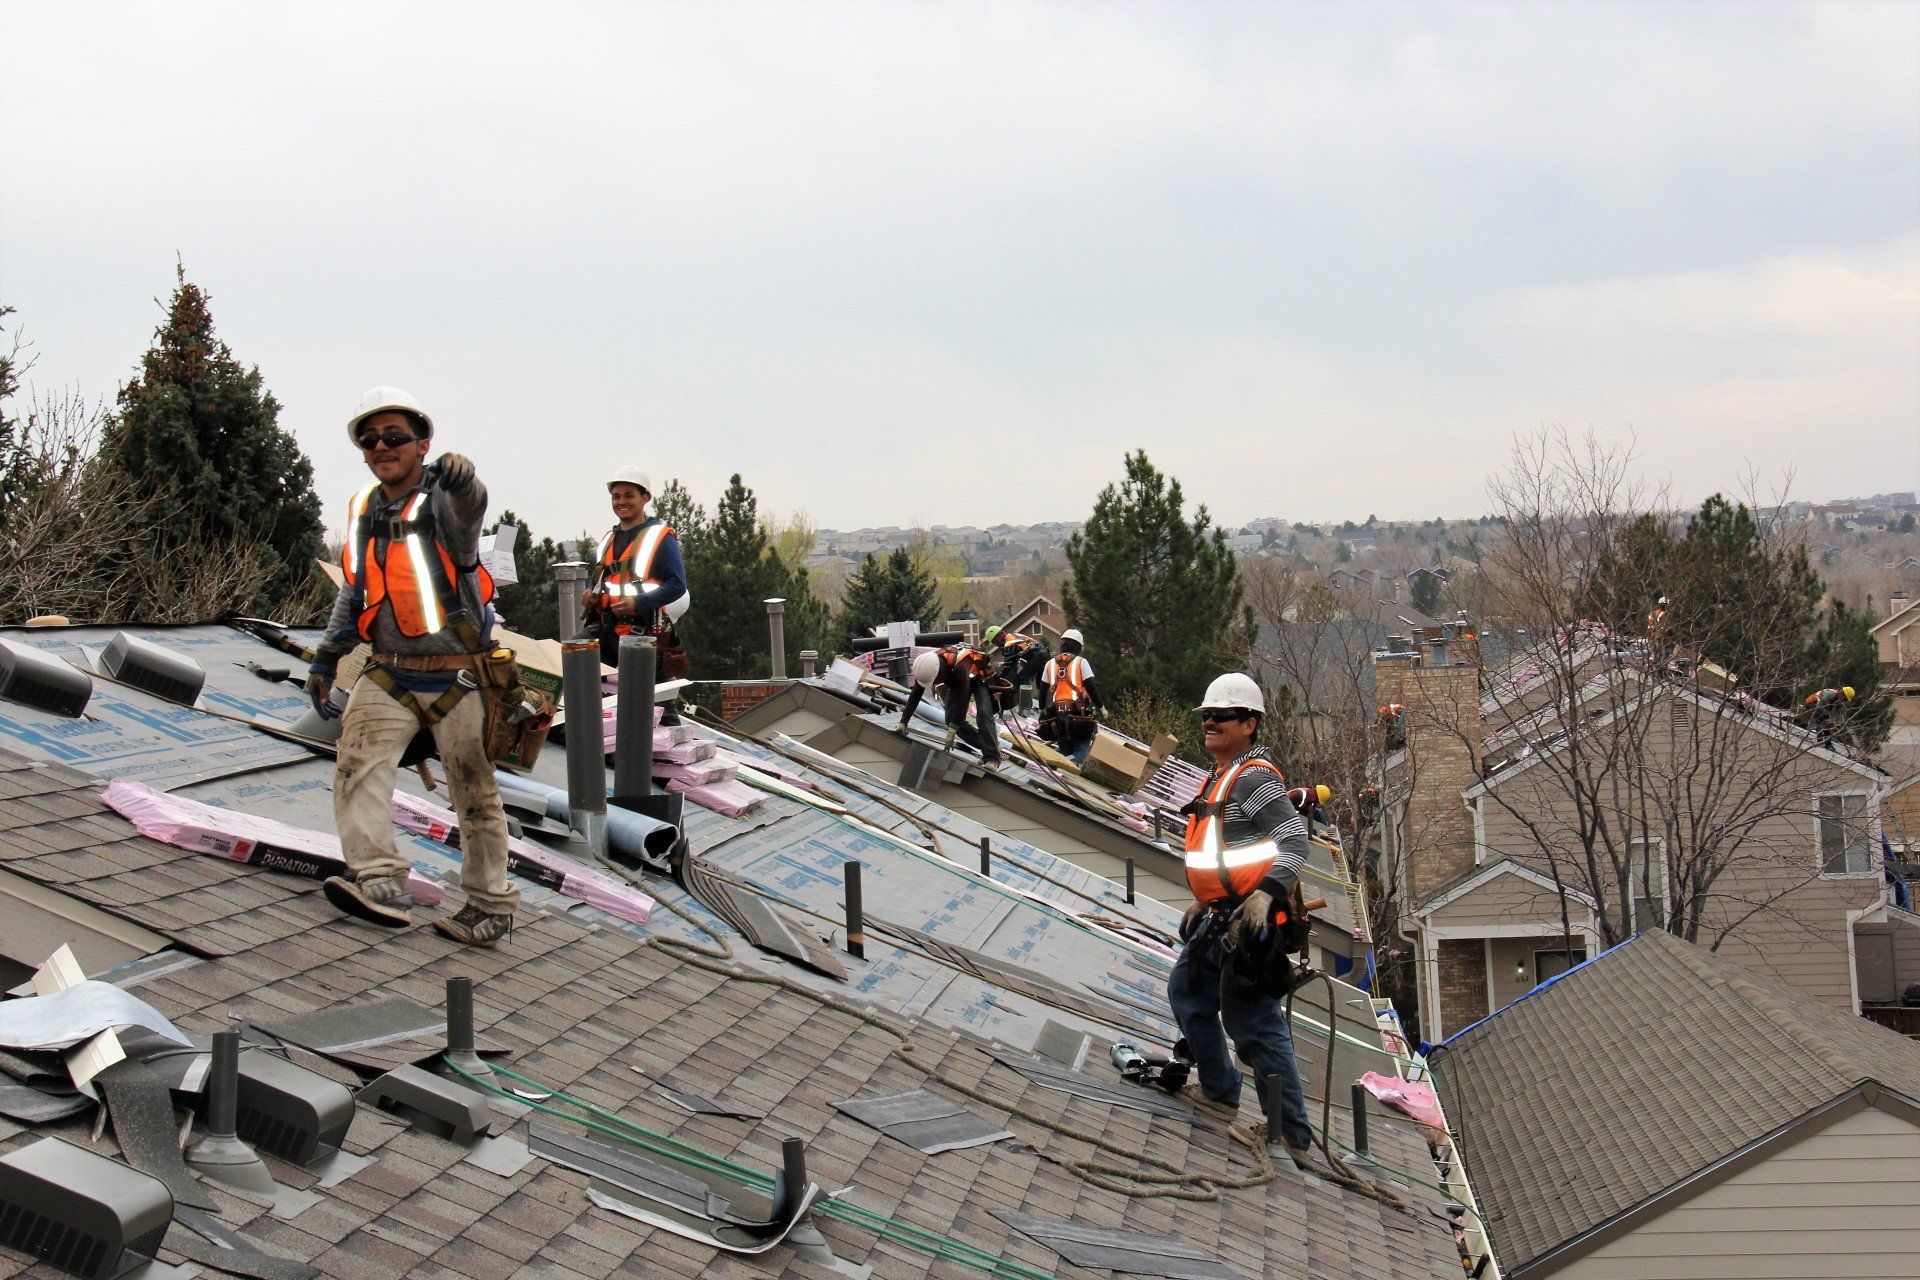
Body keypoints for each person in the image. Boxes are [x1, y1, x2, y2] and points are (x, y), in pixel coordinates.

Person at [304, 387, 519, 946]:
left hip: (459, 674)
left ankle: (489, 906)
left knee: (473, 790)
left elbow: (472, 507)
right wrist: (327, 657)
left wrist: (464, 478)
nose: (382, 447)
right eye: (370, 440)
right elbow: (353, 590)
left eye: (395, 437)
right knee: (357, 766)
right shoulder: (364, 509)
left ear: (423, 444)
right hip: (390, 670)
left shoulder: (443, 501)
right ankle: (379, 880)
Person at [1168, 672, 1316, 1164]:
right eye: (1206, 715)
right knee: (1188, 990)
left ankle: (1290, 1132)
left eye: (1222, 716)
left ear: (1249, 723)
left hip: (1250, 923)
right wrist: (1207, 897)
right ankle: (1219, 1092)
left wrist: (1263, 897)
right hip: (1222, 913)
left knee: (1252, 1022)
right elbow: (1226, 850)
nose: (1210, 722)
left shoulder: (1253, 778)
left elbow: (1294, 841)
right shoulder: (1222, 774)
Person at [581, 466, 689, 669]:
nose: (621, 502)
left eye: (629, 496)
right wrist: (589, 593)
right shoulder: (608, 539)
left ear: (645, 498)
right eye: (616, 497)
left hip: (641, 631)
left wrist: (638, 603)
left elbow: (677, 585)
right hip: (605, 629)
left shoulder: (660, 537)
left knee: (635, 686)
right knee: (572, 660)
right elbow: (599, 580)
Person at [899, 644, 1003, 765]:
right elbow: (916, 693)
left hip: (980, 678)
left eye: (934, 681)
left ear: (939, 673)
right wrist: (903, 722)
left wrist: (951, 731)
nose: (933, 683)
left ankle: (992, 759)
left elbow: (961, 704)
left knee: (984, 715)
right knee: (950, 719)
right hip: (957, 680)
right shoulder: (927, 667)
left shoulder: (960, 669)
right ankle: (991, 746)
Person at [1038, 628, 1104, 765]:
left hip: (1057, 716)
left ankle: (1065, 765)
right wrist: (1101, 706)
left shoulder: (1050, 663)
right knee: (1082, 749)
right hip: (1078, 714)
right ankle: (1071, 765)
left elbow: (1043, 689)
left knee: (1066, 751)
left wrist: (1041, 710)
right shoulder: (1081, 662)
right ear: (1078, 646)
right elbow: (1090, 685)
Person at [983, 624, 1050, 711]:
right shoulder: (1014, 636)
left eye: (995, 642)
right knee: (1041, 683)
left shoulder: (1009, 644)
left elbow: (1008, 665)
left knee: (1023, 677)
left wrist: (998, 678)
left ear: (998, 638)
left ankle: (1026, 707)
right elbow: (1026, 649)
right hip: (1044, 654)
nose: (996, 645)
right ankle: (1046, 707)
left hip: (1037, 656)